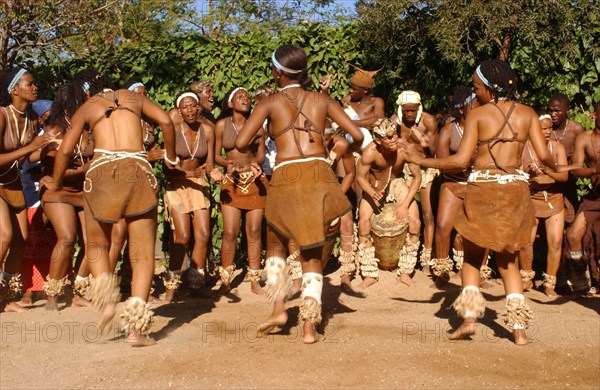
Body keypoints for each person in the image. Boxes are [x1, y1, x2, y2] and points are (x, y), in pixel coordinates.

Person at [403, 59, 570, 345]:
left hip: (482, 188)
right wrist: (565, 170)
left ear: (489, 88)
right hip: (516, 190)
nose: (475, 91)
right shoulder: (528, 114)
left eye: (477, 86)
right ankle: (518, 330)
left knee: (471, 256)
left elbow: (459, 160)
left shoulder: (479, 116)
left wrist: (419, 159)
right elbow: (544, 158)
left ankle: (469, 320)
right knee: (508, 260)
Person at [235, 44, 363, 344]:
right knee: (312, 249)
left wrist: (266, 136)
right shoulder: (322, 99)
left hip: (286, 174)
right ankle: (308, 327)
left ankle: (279, 310)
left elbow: (241, 142)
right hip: (319, 173)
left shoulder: (269, 102)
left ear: (278, 72)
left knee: (276, 243)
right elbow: (356, 136)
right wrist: (332, 141)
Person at [41, 69, 177, 346]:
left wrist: (54, 181)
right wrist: (171, 156)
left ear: (86, 92)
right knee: (142, 253)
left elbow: (66, 150)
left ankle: (106, 303)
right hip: (137, 171)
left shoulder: (88, 106)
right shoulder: (132, 97)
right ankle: (137, 330)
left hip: (101, 173)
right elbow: (165, 120)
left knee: (96, 244)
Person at [0, 68, 55, 312]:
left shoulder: (32, 118)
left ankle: (5, 297)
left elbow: (30, 155)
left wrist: (48, 147)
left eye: (34, 84)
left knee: (21, 240)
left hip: (13, 184)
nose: (34, 88)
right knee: (4, 236)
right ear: (14, 90)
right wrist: (32, 147)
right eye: (29, 84)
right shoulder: (1, 116)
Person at [39, 83, 96, 310]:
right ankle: (52, 294)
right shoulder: (54, 129)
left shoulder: (89, 128)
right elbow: (51, 168)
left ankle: (75, 292)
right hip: (56, 188)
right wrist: (84, 169)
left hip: (82, 190)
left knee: (93, 243)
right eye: (83, 98)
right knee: (67, 237)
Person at [162, 92, 216, 301]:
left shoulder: (208, 131)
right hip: (176, 185)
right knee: (183, 237)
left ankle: (196, 283)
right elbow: (167, 167)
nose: (190, 110)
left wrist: (213, 171)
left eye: (193, 106)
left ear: (198, 107)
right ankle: (171, 286)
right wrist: (189, 173)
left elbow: (209, 162)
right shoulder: (173, 132)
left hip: (199, 185)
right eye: (185, 107)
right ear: (179, 110)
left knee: (203, 235)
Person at [356, 118, 421, 287]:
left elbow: (417, 177)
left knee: (415, 221)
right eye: (388, 138)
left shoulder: (404, 149)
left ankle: (405, 272)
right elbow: (360, 178)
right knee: (363, 222)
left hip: (398, 182)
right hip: (375, 186)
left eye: (394, 136)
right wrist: (372, 193)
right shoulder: (370, 152)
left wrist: (405, 204)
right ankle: (370, 273)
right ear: (378, 140)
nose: (393, 140)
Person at [214, 87, 267, 295]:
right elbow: (215, 155)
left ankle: (254, 280)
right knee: (230, 232)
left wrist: (255, 163)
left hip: (254, 181)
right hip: (231, 181)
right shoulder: (221, 126)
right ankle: (226, 281)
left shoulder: (257, 127)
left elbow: (261, 155)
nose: (245, 99)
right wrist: (227, 164)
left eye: (246, 97)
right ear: (230, 103)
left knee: (254, 231)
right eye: (239, 96)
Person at [430, 87, 479, 282]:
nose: (478, 108)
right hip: (452, 182)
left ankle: (476, 270)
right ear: (462, 109)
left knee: (476, 229)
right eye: (474, 105)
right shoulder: (449, 130)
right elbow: (442, 164)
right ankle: (441, 268)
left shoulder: (483, 128)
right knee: (443, 226)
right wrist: (464, 161)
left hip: (477, 184)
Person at [518, 111, 568, 298]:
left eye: (549, 128)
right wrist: (530, 174)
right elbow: (518, 175)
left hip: (554, 200)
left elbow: (563, 176)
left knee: (555, 242)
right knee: (526, 241)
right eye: (543, 128)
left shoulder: (557, 149)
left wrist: (546, 169)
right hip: (531, 199)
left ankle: (549, 284)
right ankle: (526, 277)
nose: (547, 132)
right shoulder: (524, 149)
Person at [394, 90, 439, 275]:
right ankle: (404, 257)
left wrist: (427, 144)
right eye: (407, 111)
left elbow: (435, 151)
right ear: (401, 109)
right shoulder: (396, 122)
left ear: (419, 108)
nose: (410, 114)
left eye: (413, 110)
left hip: (425, 169)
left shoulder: (428, 121)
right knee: (405, 213)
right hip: (405, 171)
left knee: (428, 215)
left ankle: (427, 260)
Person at [566, 102, 600, 296]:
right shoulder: (584, 139)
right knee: (573, 235)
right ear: (594, 116)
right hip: (595, 196)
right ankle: (580, 281)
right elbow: (576, 169)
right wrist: (593, 170)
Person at [340, 66, 384, 151]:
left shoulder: (376, 101)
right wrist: (325, 91)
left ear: (365, 90)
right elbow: (331, 108)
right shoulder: (347, 99)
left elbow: (379, 120)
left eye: (354, 89)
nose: (350, 91)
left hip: (368, 147)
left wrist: (352, 123)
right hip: (347, 148)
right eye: (350, 87)